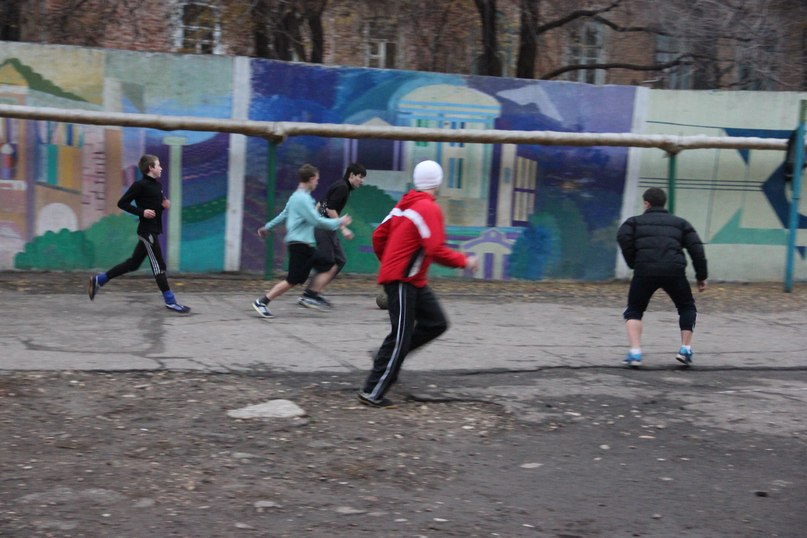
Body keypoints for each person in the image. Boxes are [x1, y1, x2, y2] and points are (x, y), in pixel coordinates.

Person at [358, 160, 479, 408]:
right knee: (400, 337)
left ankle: (386, 356)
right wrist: (464, 262)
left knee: (436, 322)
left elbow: (378, 235)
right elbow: (435, 249)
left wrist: (389, 262)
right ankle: (372, 391)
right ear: (438, 182)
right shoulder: (428, 208)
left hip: (410, 280)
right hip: (403, 281)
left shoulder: (404, 205)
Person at [616, 187, 708, 368]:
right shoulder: (680, 223)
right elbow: (696, 249)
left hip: (644, 271)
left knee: (634, 309)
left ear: (646, 203)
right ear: (663, 203)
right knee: (686, 306)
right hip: (674, 271)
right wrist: (701, 276)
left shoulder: (634, 223)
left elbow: (623, 236)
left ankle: (635, 353)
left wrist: (633, 261)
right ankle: (685, 349)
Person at [87, 154, 190, 313]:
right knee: (158, 266)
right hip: (147, 231)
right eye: (158, 165)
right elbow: (122, 203)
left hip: (153, 230)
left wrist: (163, 206)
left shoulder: (157, 185)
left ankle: (99, 280)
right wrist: (141, 212)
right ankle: (170, 301)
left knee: (133, 263)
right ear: (150, 168)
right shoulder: (139, 185)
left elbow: (154, 208)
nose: (161, 167)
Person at [253, 164, 352, 318]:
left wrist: (267, 227)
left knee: (327, 263)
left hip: (303, 245)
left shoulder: (295, 197)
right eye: (317, 180)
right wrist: (339, 222)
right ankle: (263, 301)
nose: (317, 183)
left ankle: (312, 294)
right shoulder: (303, 199)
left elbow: (283, 214)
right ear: (311, 179)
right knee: (292, 280)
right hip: (300, 245)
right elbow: (316, 221)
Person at [297, 162, 366, 311]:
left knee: (340, 260)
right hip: (325, 228)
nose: (362, 181)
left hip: (326, 227)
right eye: (360, 177)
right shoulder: (342, 187)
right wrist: (343, 228)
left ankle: (315, 292)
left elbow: (321, 203)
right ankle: (309, 295)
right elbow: (330, 208)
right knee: (328, 262)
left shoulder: (341, 186)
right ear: (352, 175)